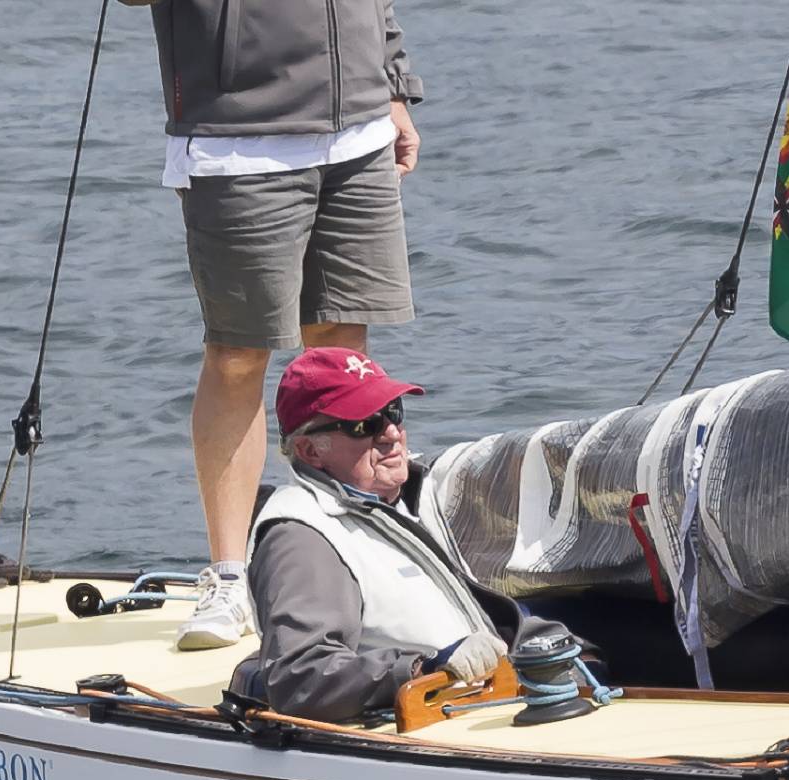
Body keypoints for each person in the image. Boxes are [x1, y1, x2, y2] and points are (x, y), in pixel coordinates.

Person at [118, 0, 425, 650]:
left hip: (361, 129)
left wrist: (394, 82)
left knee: (342, 354)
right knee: (237, 355)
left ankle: (349, 557)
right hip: (239, 138)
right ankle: (231, 578)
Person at [247, 347, 553, 722]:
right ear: (310, 450)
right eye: (365, 425)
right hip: (433, 723)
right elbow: (300, 678)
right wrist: (422, 668)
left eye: (393, 413)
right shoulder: (301, 537)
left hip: (477, 703)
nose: (391, 433)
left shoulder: (401, 501)